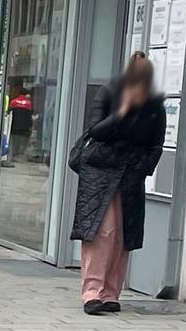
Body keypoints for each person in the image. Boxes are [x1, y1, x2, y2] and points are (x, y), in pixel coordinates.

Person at [70, 53, 168, 317]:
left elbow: (156, 143)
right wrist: (122, 111)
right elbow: (95, 131)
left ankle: (111, 293)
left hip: (130, 173)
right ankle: (92, 293)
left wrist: (143, 167)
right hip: (101, 171)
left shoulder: (154, 104)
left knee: (122, 236)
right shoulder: (109, 92)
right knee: (103, 232)